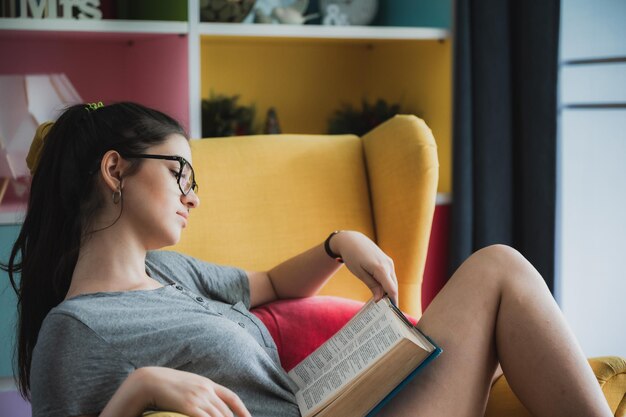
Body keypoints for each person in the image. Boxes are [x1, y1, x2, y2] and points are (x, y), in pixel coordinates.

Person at [2, 102, 612, 417]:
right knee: (497, 268)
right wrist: (137, 390)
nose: (193, 194)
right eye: (179, 171)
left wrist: (337, 243)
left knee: (495, 268)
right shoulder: (74, 332)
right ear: (115, 170)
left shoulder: (169, 271)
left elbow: (266, 283)